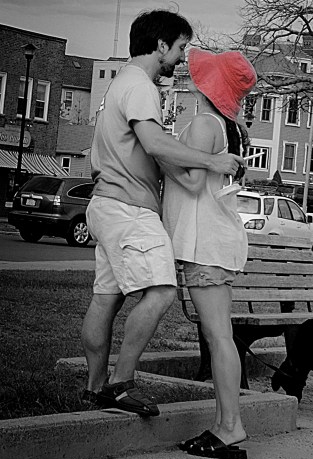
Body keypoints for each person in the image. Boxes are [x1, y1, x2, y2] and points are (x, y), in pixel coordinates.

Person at [80, 9, 244, 417]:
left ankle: (95, 387)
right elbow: (154, 144)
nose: (181, 58)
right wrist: (212, 161)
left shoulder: (119, 84)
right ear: (160, 45)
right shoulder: (140, 86)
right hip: (130, 208)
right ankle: (120, 383)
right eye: (180, 47)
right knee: (162, 291)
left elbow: (148, 147)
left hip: (106, 203)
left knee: (106, 298)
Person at [162, 47, 256, 459]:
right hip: (215, 241)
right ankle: (223, 424)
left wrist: (159, 150)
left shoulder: (204, 123)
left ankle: (230, 426)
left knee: (218, 336)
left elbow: (192, 182)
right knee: (220, 336)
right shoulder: (228, 126)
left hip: (205, 242)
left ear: (208, 84)